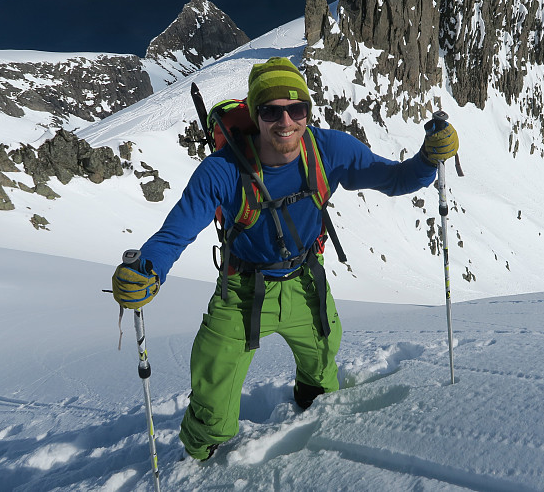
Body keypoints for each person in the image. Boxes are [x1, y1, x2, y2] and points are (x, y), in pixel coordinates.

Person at [111, 57, 459, 461]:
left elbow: (396, 178)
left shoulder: (329, 150)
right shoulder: (221, 171)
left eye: (297, 110)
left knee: (322, 375)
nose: (286, 121)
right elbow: (175, 233)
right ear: (256, 116)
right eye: (271, 111)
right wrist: (148, 270)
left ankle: (311, 416)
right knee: (214, 410)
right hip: (240, 292)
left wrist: (428, 160)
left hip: (305, 281)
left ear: (308, 113)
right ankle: (196, 461)